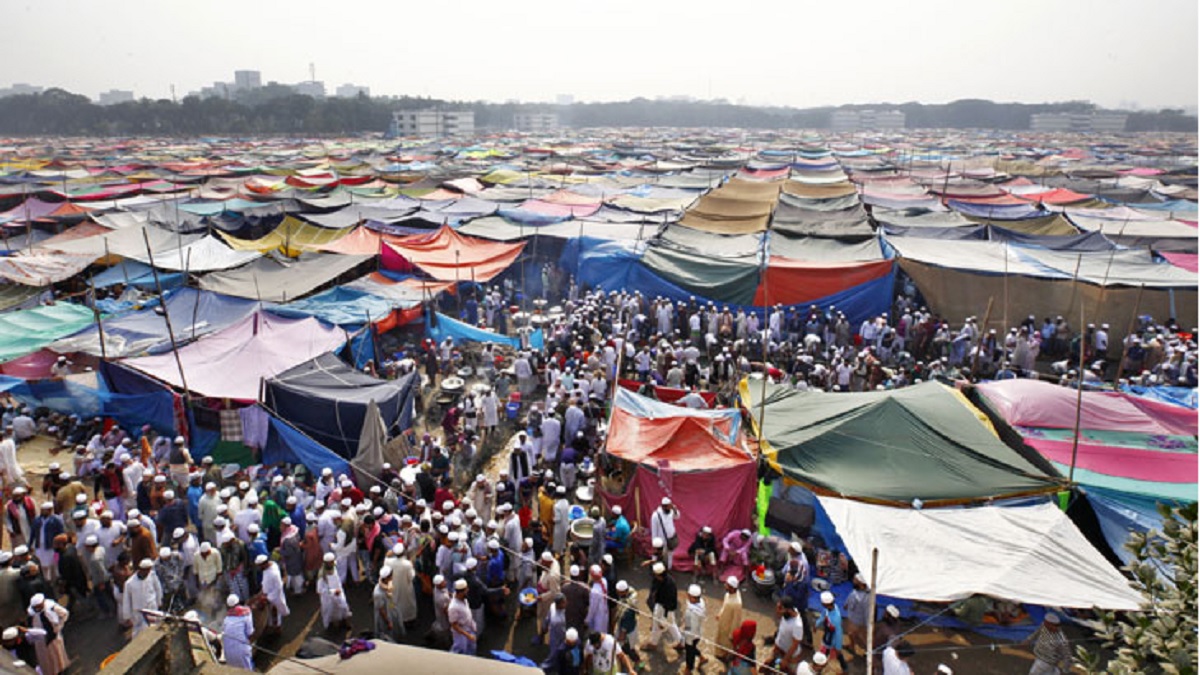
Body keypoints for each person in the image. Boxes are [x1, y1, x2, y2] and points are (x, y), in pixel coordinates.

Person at [641, 562, 682, 651]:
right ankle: (680, 641)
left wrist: (664, 618)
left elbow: (670, 604)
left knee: (657, 625)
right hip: (661, 606)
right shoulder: (662, 580)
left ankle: (653, 643)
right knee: (672, 625)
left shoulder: (668, 586)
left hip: (664, 609)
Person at [27, 594, 70, 675]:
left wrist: (58, 627)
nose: (37, 608)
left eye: (39, 606)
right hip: (40, 641)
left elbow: (65, 614)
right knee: (46, 661)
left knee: (58, 658)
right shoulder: (32, 614)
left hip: (53, 638)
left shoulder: (51, 607)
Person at [121, 558, 162, 637]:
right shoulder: (129, 583)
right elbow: (127, 600)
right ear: (141, 569)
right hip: (138, 611)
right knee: (139, 633)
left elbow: (158, 588)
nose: (147, 572)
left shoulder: (152, 575)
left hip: (152, 607)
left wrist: (159, 601)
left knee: (154, 628)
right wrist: (127, 616)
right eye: (146, 570)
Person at [316, 552, 351, 632]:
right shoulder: (322, 575)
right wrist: (333, 592)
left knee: (344, 607)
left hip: (339, 593)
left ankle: (344, 623)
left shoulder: (334, 568)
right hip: (328, 598)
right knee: (331, 612)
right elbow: (320, 590)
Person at [222, 594, 255, 671]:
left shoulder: (226, 618)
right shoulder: (247, 613)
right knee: (248, 671)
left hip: (228, 653)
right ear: (239, 602)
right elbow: (250, 632)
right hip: (242, 650)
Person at [771, 597, 805, 672]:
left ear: (789, 610)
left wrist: (785, 660)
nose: (778, 611)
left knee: (788, 671)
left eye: (780, 608)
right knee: (776, 668)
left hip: (790, 656)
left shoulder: (797, 625)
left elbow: (794, 645)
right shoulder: (787, 615)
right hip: (779, 649)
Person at [257, 555, 288, 633]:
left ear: (264, 564)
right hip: (267, 595)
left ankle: (277, 629)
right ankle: (271, 626)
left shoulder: (274, 573)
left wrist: (269, 597)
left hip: (274, 598)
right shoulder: (271, 565)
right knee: (270, 613)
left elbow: (279, 587)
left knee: (276, 614)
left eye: (260, 566)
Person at [715, 576, 742, 663]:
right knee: (719, 640)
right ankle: (720, 655)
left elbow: (736, 620)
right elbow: (724, 605)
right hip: (722, 623)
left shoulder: (737, 603)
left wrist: (732, 635)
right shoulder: (728, 595)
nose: (725, 586)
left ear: (732, 588)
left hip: (728, 628)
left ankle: (726, 657)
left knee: (726, 645)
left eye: (727, 585)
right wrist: (720, 614)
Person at [817, 591, 847, 670]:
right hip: (827, 634)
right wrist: (816, 624)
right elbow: (822, 616)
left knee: (837, 654)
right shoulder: (828, 609)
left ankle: (844, 668)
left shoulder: (835, 618)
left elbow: (838, 633)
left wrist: (838, 647)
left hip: (831, 638)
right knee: (826, 650)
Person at [681, 584, 707, 674]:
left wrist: (686, 635)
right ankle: (701, 657)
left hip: (691, 635)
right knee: (692, 648)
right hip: (698, 632)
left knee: (689, 652)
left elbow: (690, 627)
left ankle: (689, 668)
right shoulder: (701, 603)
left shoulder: (691, 612)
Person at [843, 574, 869, 658]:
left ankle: (853, 646)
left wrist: (846, 606)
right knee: (864, 637)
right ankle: (866, 651)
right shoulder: (869, 594)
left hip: (854, 620)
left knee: (852, 633)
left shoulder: (854, 595)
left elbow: (848, 606)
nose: (853, 582)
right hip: (865, 620)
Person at [448, 578, 477, 655]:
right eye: (466, 590)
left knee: (471, 649)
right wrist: (468, 635)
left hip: (469, 629)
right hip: (461, 633)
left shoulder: (464, 599)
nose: (468, 591)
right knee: (460, 650)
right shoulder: (453, 607)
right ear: (460, 592)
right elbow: (454, 625)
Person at [649, 498, 679, 570]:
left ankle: (669, 568)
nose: (670, 508)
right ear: (663, 506)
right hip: (660, 541)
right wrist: (654, 544)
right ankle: (655, 570)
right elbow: (654, 531)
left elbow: (677, 517)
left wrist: (675, 510)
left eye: (670, 506)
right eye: (668, 506)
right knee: (657, 556)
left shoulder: (670, 511)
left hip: (671, 539)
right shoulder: (656, 515)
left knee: (670, 555)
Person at [373, 565, 402, 641]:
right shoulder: (378, 593)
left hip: (391, 609)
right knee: (386, 633)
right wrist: (388, 622)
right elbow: (381, 610)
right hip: (385, 616)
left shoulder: (388, 585)